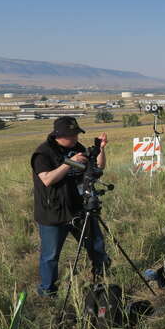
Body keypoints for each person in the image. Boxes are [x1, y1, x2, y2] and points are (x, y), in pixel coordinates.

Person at [30, 116, 110, 297]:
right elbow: (47, 179)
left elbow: (97, 169)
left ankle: (100, 277)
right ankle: (48, 291)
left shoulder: (78, 149)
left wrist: (101, 150)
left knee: (96, 244)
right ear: (59, 135)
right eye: (72, 135)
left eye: (77, 134)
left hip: (80, 208)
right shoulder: (43, 153)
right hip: (53, 213)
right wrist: (69, 162)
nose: (76, 138)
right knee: (50, 256)